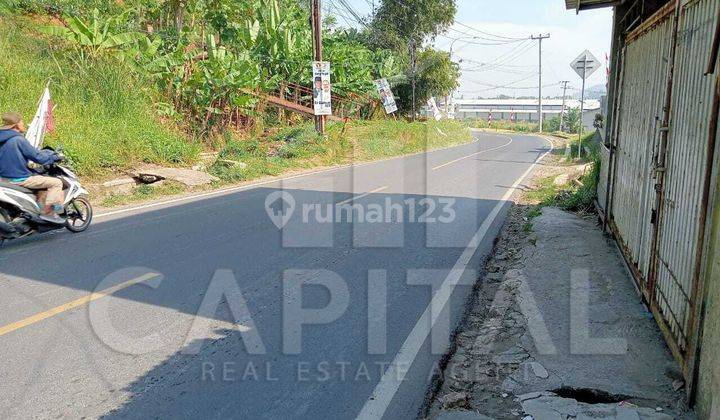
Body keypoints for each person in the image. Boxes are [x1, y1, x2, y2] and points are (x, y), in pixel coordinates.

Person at [0, 112, 64, 223]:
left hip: (4, 179)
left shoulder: (2, 140)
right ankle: (49, 213)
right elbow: (38, 157)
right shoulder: (18, 139)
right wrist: (54, 156)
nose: (23, 124)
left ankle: (38, 209)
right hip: (21, 179)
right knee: (56, 183)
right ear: (16, 125)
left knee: (40, 183)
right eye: (21, 121)